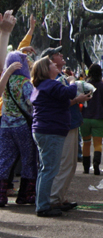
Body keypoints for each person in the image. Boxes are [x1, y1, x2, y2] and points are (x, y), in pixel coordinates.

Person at [30, 57, 90, 217]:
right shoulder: (51, 84)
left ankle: (43, 202)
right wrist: (72, 81)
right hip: (51, 131)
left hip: (44, 130)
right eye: (51, 64)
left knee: (45, 169)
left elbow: (60, 102)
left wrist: (75, 98)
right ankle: (43, 206)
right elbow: (68, 93)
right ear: (46, 69)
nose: (55, 65)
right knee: (50, 169)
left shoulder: (42, 86)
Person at [45, 47, 84, 212]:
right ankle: (54, 198)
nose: (62, 56)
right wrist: (77, 99)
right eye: (58, 54)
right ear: (51, 61)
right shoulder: (54, 80)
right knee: (64, 163)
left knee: (71, 163)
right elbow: (62, 101)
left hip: (71, 122)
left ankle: (60, 197)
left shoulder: (61, 77)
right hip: (63, 125)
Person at [0, 53, 36, 208]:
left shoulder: (6, 80)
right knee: (28, 158)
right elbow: (32, 103)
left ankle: (1, 195)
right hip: (22, 125)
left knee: (4, 159)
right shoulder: (25, 83)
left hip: (5, 124)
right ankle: (25, 194)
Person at [81, 64, 103, 175]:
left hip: (85, 118)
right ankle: (96, 165)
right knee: (98, 144)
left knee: (86, 143)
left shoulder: (85, 85)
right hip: (99, 118)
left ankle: (86, 167)